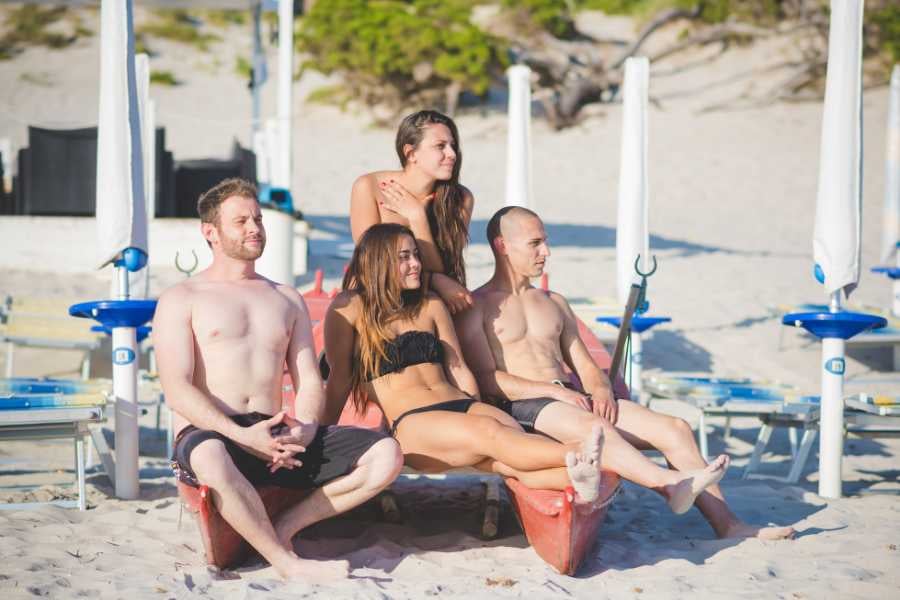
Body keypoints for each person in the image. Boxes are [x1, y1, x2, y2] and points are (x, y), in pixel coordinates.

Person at [323, 223, 724, 510]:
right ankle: (656, 478)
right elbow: (340, 378)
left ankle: (581, 482)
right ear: (377, 263)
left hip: (459, 406)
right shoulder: (350, 309)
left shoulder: (429, 305)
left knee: (507, 456)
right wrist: (320, 436)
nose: (416, 265)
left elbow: (459, 367)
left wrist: (476, 404)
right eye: (404, 257)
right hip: (414, 421)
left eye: (415, 255)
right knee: (492, 434)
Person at [456, 206, 796, 540]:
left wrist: (601, 389)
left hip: (572, 400)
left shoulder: (554, 302)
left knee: (674, 429)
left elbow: (585, 364)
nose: (546, 251)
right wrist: (557, 392)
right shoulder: (481, 306)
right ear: (502, 245)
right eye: (535, 243)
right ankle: (669, 485)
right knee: (596, 429)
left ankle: (728, 525)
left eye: (545, 241)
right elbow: (487, 378)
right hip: (524, 406)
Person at [154, 178, 403, 582]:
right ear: (210, 232)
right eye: (241, 221)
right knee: (210, 458)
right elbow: (177, 389)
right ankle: (284, 562)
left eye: (258, 218)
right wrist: (241, 435)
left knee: (387, 455)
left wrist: (303, 430)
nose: (254, 228)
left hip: (277, 433)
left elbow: (308, 379)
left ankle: (286, 526)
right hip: (213, 431)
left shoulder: (286, 298)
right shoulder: (183, 297)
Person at [350, 109, 474, 314]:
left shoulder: (460, 199)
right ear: (411, 153)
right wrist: (434, 278)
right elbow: (372, 262)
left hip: (430, 300)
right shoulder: (369, 187)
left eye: (453, 146)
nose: (452, 154)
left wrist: (417, 217)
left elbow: (444, 269)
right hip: (375, 298)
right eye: (440, 146)